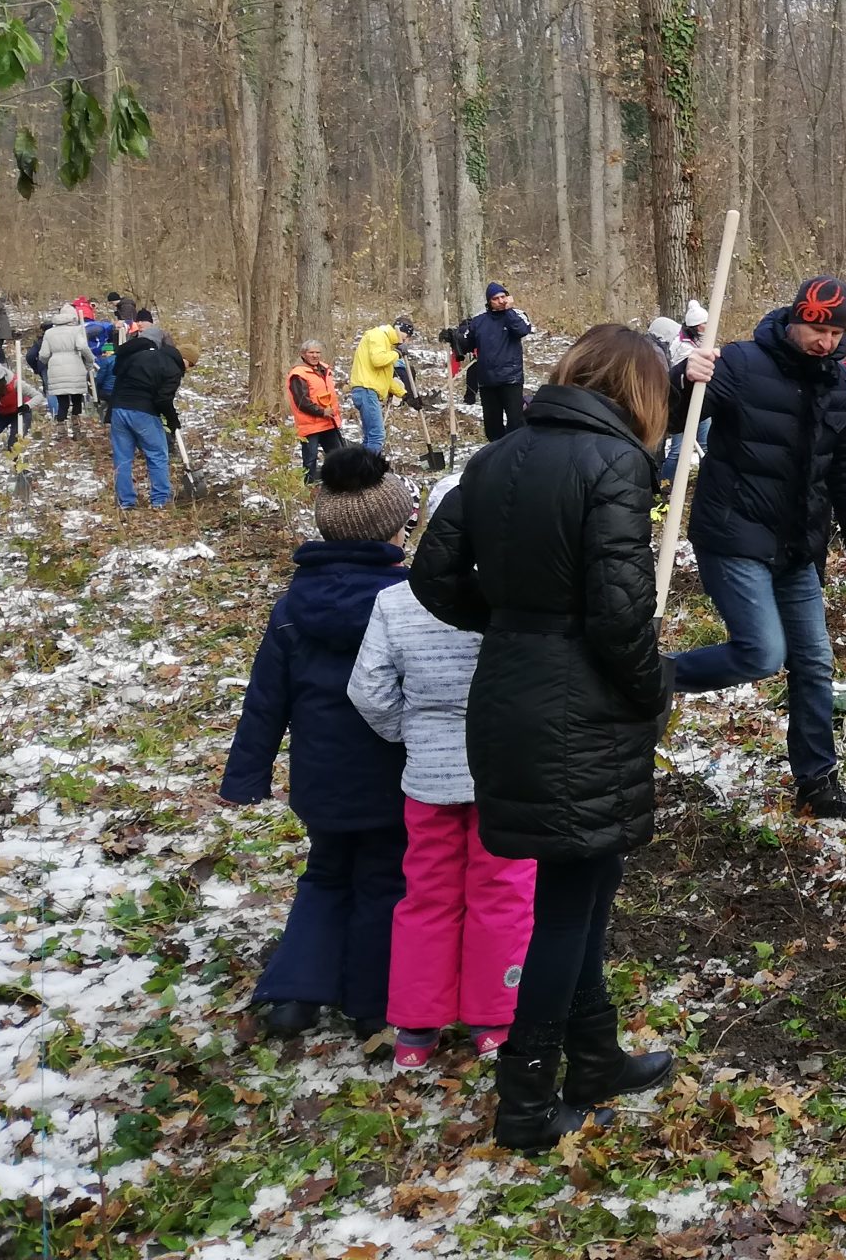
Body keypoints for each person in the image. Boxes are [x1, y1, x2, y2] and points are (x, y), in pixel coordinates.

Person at [409, 324, 679, 1150]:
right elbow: (622, 614)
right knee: (570, 907)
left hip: (513, 695)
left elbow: (431, 575)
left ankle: (594, 1059)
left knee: (582, 895)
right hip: (579, 711)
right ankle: (525, 1100)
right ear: (641, 393)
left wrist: (516, 626)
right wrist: (653, 688)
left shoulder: (497, 457)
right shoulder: (616, 466)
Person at [218, 447, 417, 1042]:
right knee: (384, 880)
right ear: (394, 526)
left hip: (320, 777)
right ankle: (372, 1003)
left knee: (327, 872)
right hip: (392, 774)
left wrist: (246, 776)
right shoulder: (408, 605)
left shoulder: (291, 608)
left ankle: (294, 996)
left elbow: (265, 700)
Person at [672, 276, 846, 822]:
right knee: (762, 652)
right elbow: (674, 419)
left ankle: (818, 785)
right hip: (734, 534)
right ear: (794, 319)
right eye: (816, 327)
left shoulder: (837, 383)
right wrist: (682, 378)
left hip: (797, 546)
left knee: (814, 663)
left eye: (835, 331)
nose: (825, 341)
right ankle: (650, 676)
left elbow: (842, 470)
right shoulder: (739, 364)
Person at [349, 473, 536, 1070]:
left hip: (427, 778)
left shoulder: (394, 602)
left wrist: (411, 735)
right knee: (501, 892)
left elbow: (369, 689)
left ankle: (416, 1029)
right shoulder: (515, 601)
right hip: (502, 773)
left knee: (426, 895)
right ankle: (494, 1017)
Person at [110, 312, 186, 509]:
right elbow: (163, 399)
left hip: (119, 409)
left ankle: (125, 502)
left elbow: (117, 376)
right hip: (143, 412)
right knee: (157, 453)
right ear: (183, 360)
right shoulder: (172, 368)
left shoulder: (139, 357)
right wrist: (172, 420)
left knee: (123, 457)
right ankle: (160, 500)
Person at [456, 283, 534, 441]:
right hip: (487, 381)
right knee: (492, 428)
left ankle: (515, 454)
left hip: (511, 379)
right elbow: (467, 345)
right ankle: (496, 456)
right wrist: (455, 338)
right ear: (489, 301)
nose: (500, 301)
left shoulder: (517, 315)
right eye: (495, 298)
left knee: (516, 423)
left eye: (503, 297)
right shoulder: (479, 322)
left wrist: (509, 311)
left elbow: (521, 330)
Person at [348, 317, 413, 455]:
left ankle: (360, 470)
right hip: (366, 390)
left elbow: (386, 379)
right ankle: (368, 472)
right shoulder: (378, 335)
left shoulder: (387, 345)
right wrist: (397, 353)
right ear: (402, 332)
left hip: (369, 390)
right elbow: (377, 360)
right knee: (377, 436)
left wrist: (405, 395)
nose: (406, 342)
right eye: (407, 338)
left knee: (370, 438)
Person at [288, 341, 345, 485]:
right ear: (303, 354)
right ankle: (308, 487)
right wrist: (322, 412)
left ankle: (339, 483)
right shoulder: (298, 374)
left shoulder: (325, 369)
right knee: (310, 459)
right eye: (311, 353)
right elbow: (302, 402)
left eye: (317, 352)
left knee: (337, 454)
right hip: (310, 425)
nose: (315, 355)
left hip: (328, 422)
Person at [37, 308, 93, 438]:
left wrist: (48, 361)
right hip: (75, 366)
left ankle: (61, 430)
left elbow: (43, 354)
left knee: (62, 402)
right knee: (77, 399)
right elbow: (83, 347)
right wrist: (89, 362)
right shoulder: (76, 330)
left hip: (56, 368)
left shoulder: (49, 333)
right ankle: (77, 429)